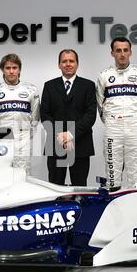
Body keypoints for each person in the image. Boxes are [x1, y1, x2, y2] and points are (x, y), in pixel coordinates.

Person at [96, 36, 137, 191]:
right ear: (112, 53)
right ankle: (113, 199)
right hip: (113, 126)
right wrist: (111, 120)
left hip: (135, 125)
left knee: (136, 167)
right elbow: (100, 104)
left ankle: (136, 203)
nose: (122, 54)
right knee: (112, 167)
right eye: (118, 50)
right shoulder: (104, 75)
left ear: (130, 52)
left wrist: (136, 117)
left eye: (125, 50)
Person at [40, 49, 97, 186]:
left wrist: (70, 134)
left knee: (79, 188)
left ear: (77, 64)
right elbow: (45, 114)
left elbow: (90, 115)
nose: (68, 64)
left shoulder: (88, 86)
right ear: (59, 65)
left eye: (71, 61)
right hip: (55, 144)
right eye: (64, 61)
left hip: (80, 144)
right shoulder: (49, 86)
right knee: (54, 186)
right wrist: (60, 135)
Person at [0, 53, 40, 172]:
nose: (11, 71)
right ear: (2, 70)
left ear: (19, 69)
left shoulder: (31, 90)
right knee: (1, 173)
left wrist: (26, 135)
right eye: (8, 68)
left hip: (23, 139)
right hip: (2, 138)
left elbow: (35, 118)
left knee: (23, 174)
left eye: (14, 68)